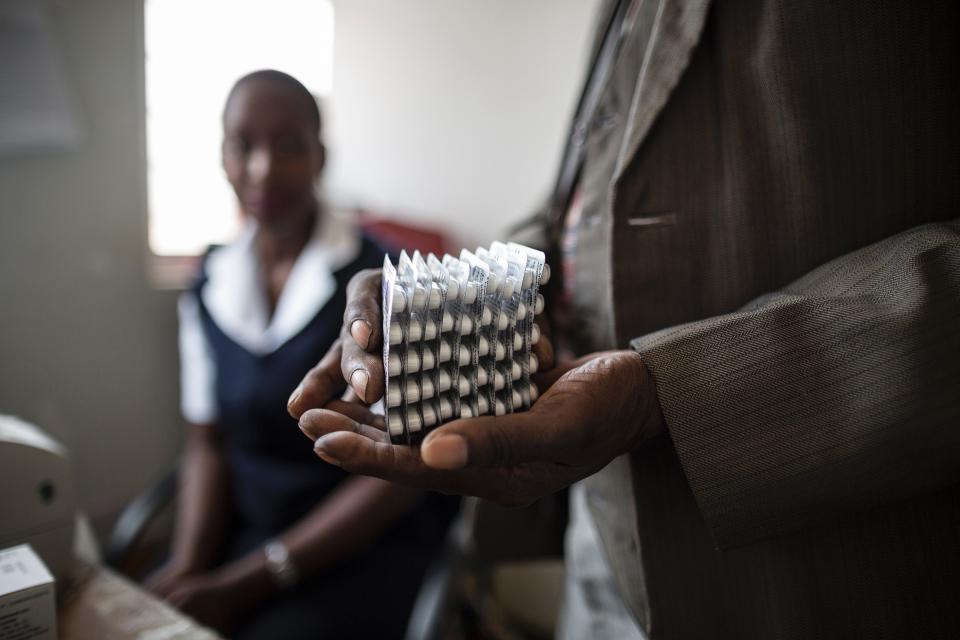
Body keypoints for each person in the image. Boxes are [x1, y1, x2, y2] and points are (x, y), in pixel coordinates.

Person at [287, 1, 960, 638]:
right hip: (600, 534)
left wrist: (666, 390)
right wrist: (472, 298)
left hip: (818, 567)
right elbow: (580, 200)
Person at [146, 70, 457, 639]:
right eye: (245, 146)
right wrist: (189, 563)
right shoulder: (209, 283)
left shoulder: (386, 281)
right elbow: (207, 443)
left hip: (359, 548)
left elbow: (400, 474)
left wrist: (246, 584)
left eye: (288, 145)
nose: (264, 167)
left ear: (320, 156)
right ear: (223, 157)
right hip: (246, 535)